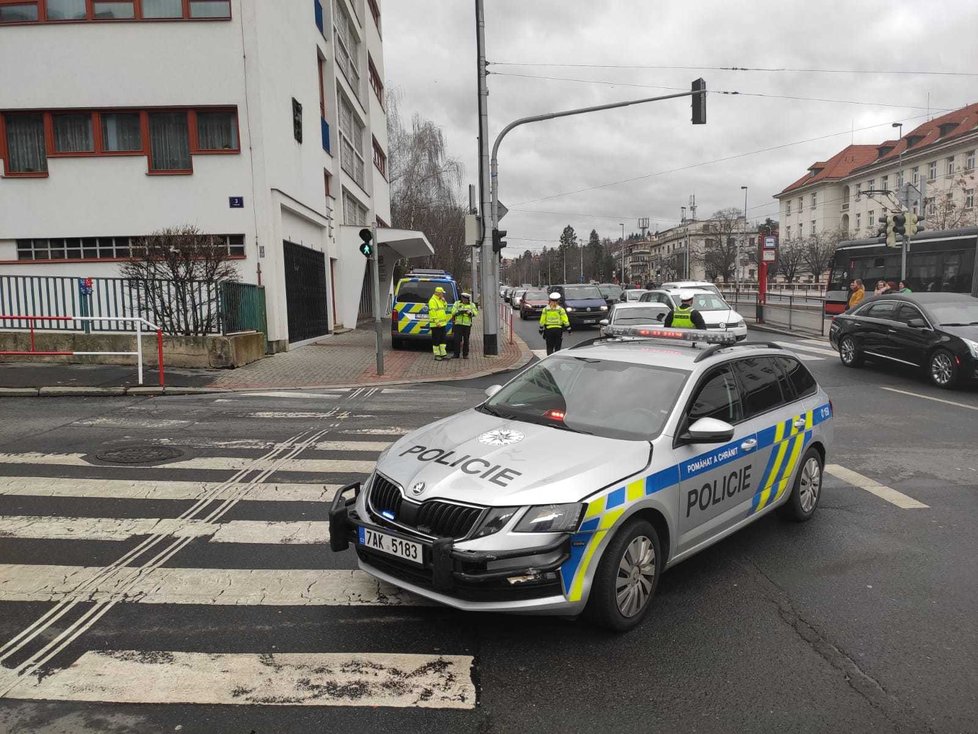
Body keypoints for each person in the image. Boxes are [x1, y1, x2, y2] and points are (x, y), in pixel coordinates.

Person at [450, 292, 478, 359]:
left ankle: (465, 355)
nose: (464, 300)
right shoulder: (457, 303)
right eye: (463, 298)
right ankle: (456, 354)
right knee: (457, 340)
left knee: (466, 340)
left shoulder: (472, 305)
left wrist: (470, 313)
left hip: (467, 325)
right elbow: (452, 311)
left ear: (468, 299)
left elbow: (475, 313)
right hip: (458, 324)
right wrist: (459, 312)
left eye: (465, 299)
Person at [427, 286, 450, 361]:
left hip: (442, 324)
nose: (443, 295)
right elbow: (432, 312)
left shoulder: (440, 300)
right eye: (442, 293)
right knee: (436, 340)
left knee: (443, 340)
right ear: (438, 293)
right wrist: (437, 322)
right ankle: (437, 355)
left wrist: (444, 301)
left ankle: (443, 354)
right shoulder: (432, 301)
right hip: (436, 324)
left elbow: (445, 308)